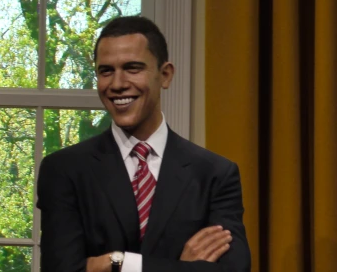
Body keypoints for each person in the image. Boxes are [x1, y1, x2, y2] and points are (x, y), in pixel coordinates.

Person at [36, 16, 251, 272]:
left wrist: (119, 263)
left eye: (133, 68)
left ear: (165, 75)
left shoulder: (215, 174)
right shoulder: (64, 170)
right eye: (106, 71)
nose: (117, 84)